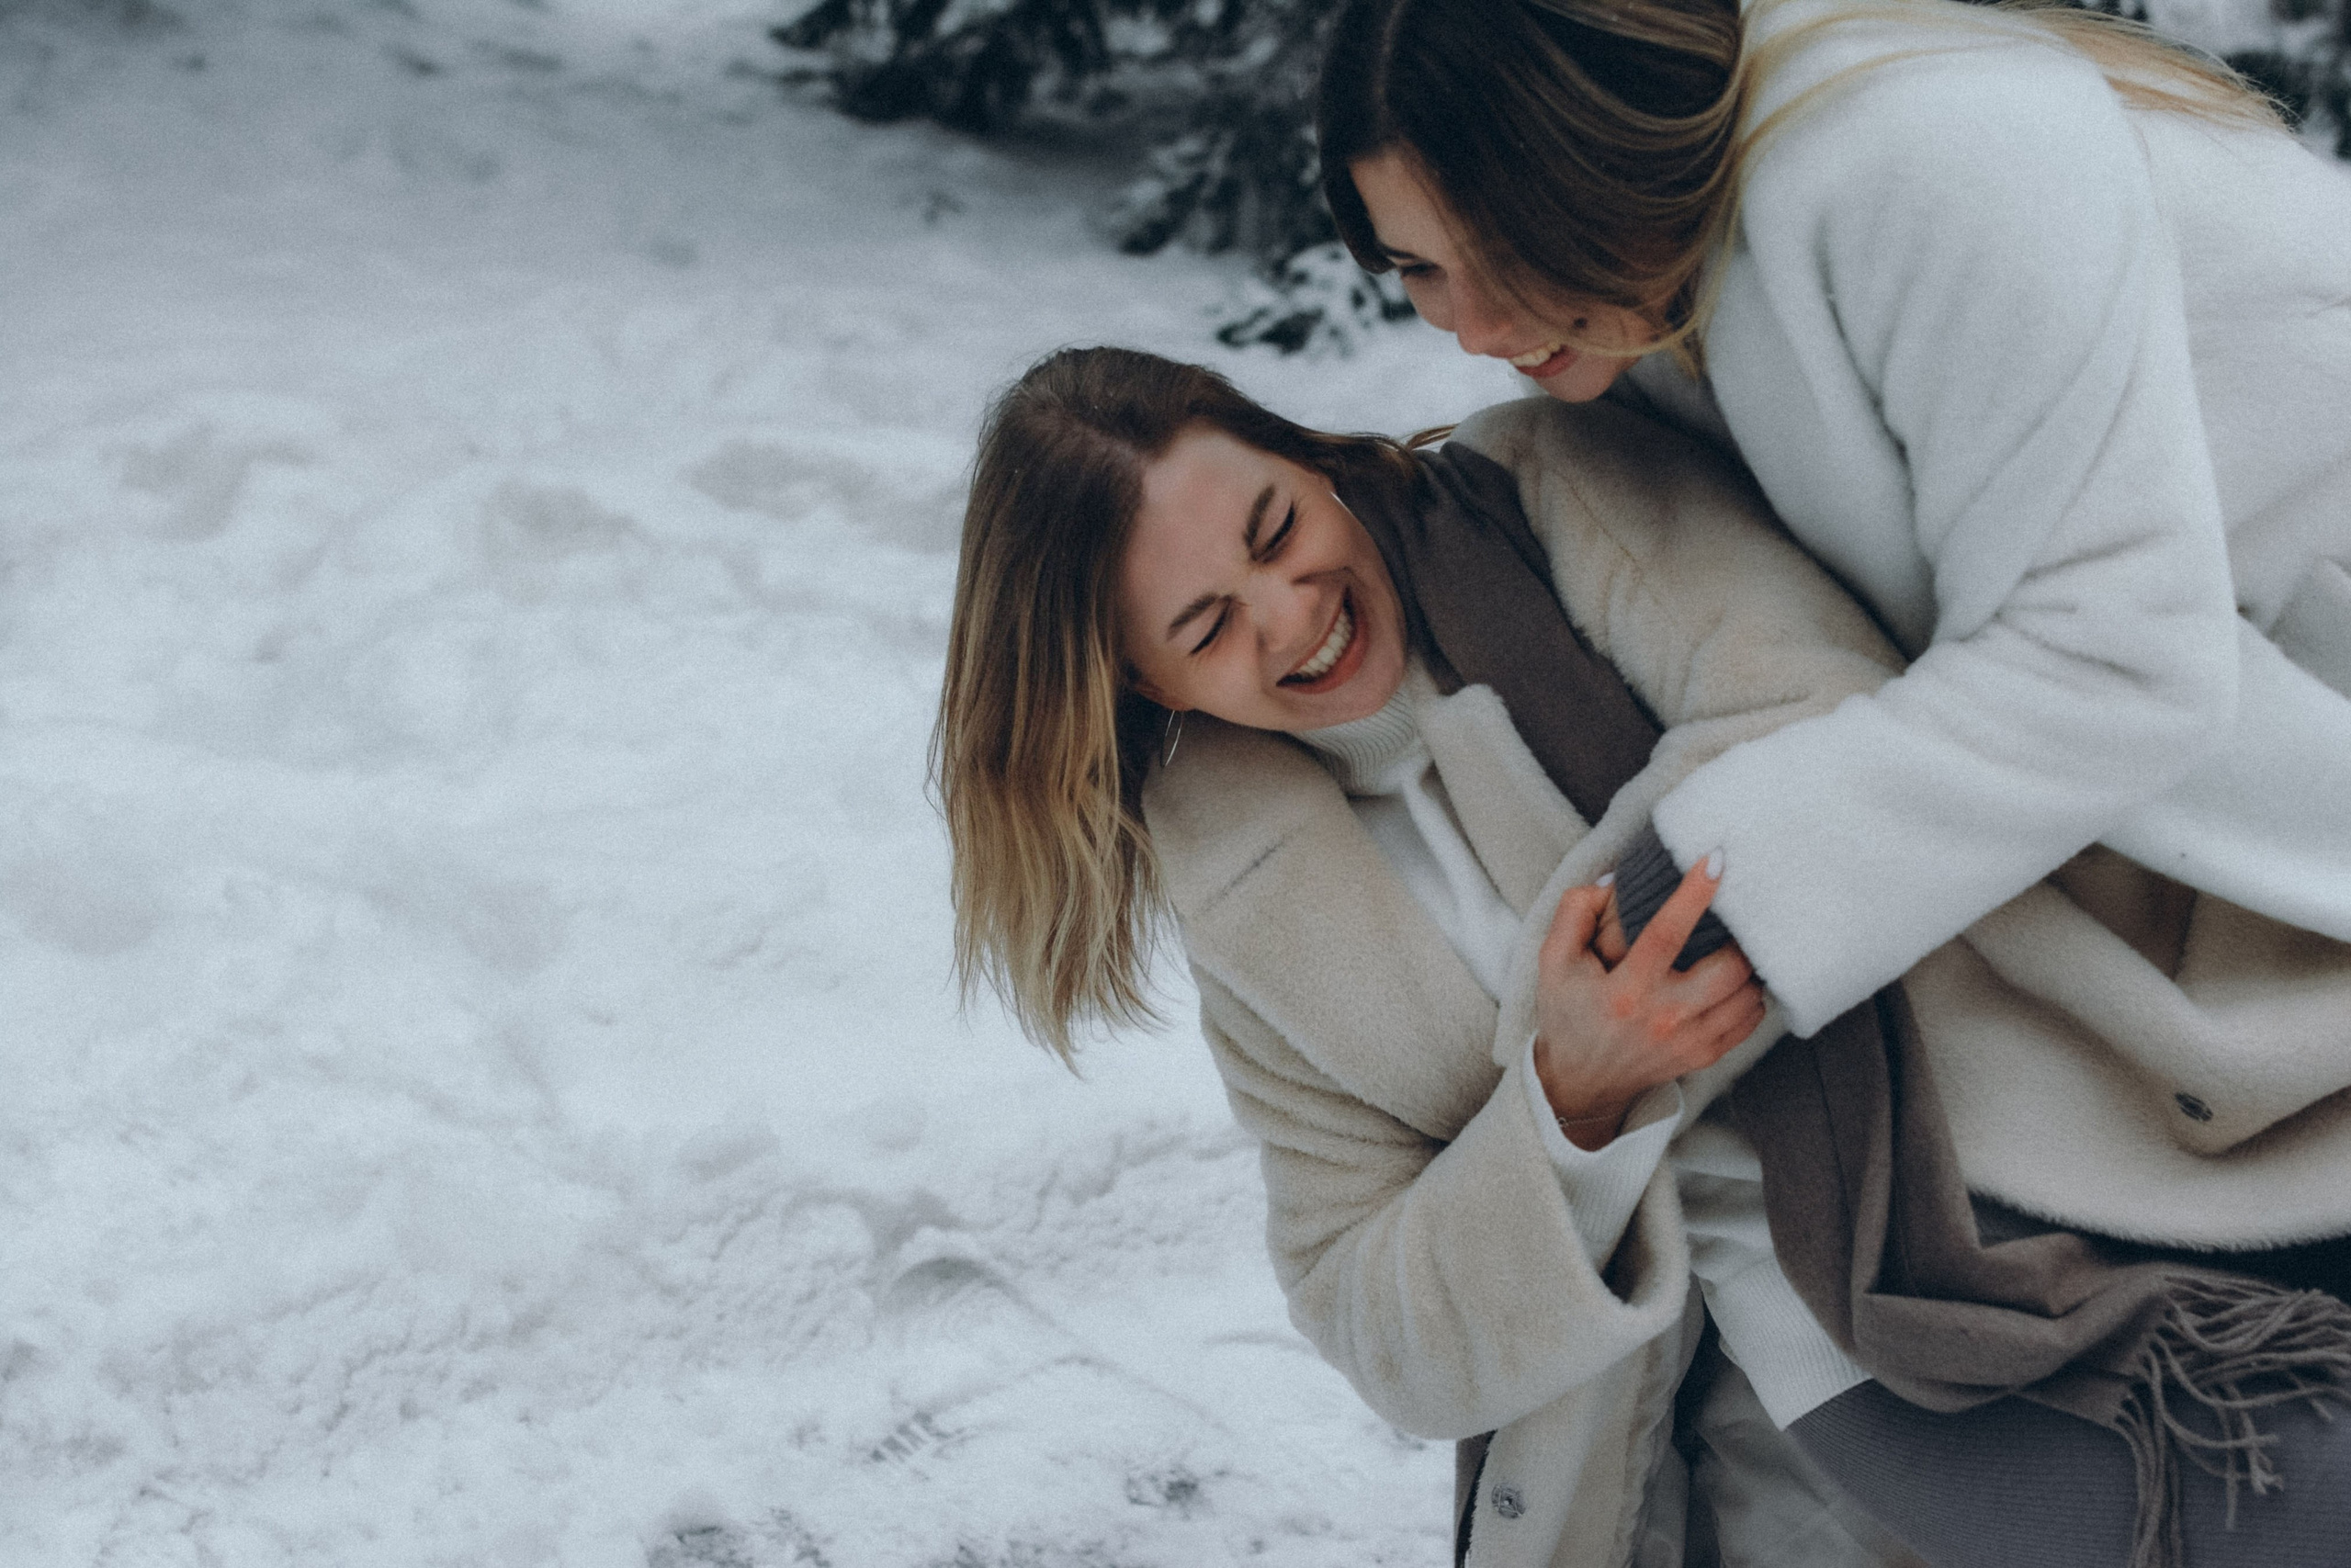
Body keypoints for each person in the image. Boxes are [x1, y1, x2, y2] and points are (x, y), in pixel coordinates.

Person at [934, 346, 2351, 1568]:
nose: (1294, 610)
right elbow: (1378, 1319)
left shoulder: (1546, 498)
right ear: (1137, 679)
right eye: (1208, 625)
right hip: (1813, 1345)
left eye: (1274, 527)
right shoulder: (1245, 899)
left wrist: (1601, 1000)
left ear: (1307, 456)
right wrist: (1565, 1099)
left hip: (2041, 1126)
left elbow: (1823, 716)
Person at [1316, 0, 2351, 1045]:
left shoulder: (1932, 148)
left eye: (1508, 248)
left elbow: (2114, 659)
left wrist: (1685, 902)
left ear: (1611, 158)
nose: (1477, 330)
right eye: (1418, 268)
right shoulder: (1640, 292)